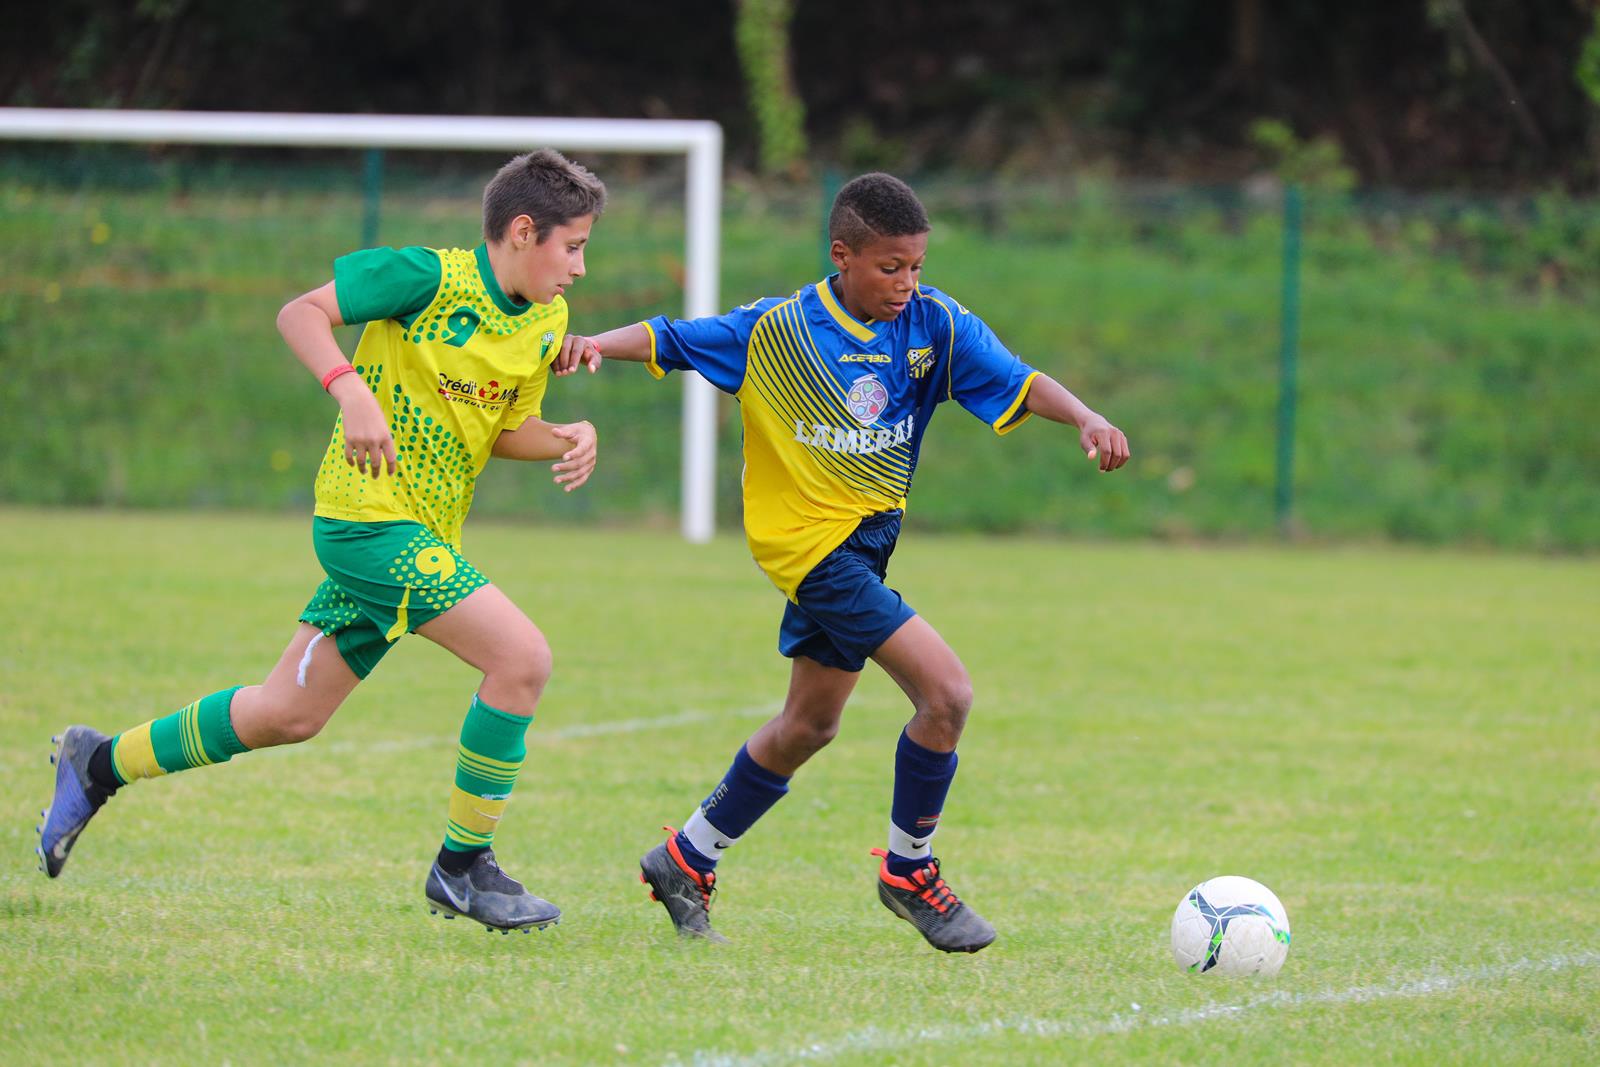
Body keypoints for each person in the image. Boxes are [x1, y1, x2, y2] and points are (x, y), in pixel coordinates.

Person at [36, 148, 608, 934]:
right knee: (522, 659)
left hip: (419, 533)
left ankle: (99, 762)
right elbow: (299, 313)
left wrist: (568, 436)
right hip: (367, 521)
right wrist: (351, 390)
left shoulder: (546, 322)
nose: (579, 268)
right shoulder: (426, 276)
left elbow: (503, 428)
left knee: (287, 712)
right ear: (521, 230)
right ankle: (463, 866)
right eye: (572, 246)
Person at [570, 172, 1131, 953]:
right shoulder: (780, 331)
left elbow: (1018, 380)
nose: (906, 283)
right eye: (889, 267)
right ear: (843, 255)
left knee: (810, 723)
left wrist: (1085, 414)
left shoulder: (934, 324)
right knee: (947, 694)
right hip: (811, 551)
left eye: (916, 266)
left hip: (865, 546)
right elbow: (671, 337)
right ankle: (909, 871)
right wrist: (595, 344)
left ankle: (685, 857)